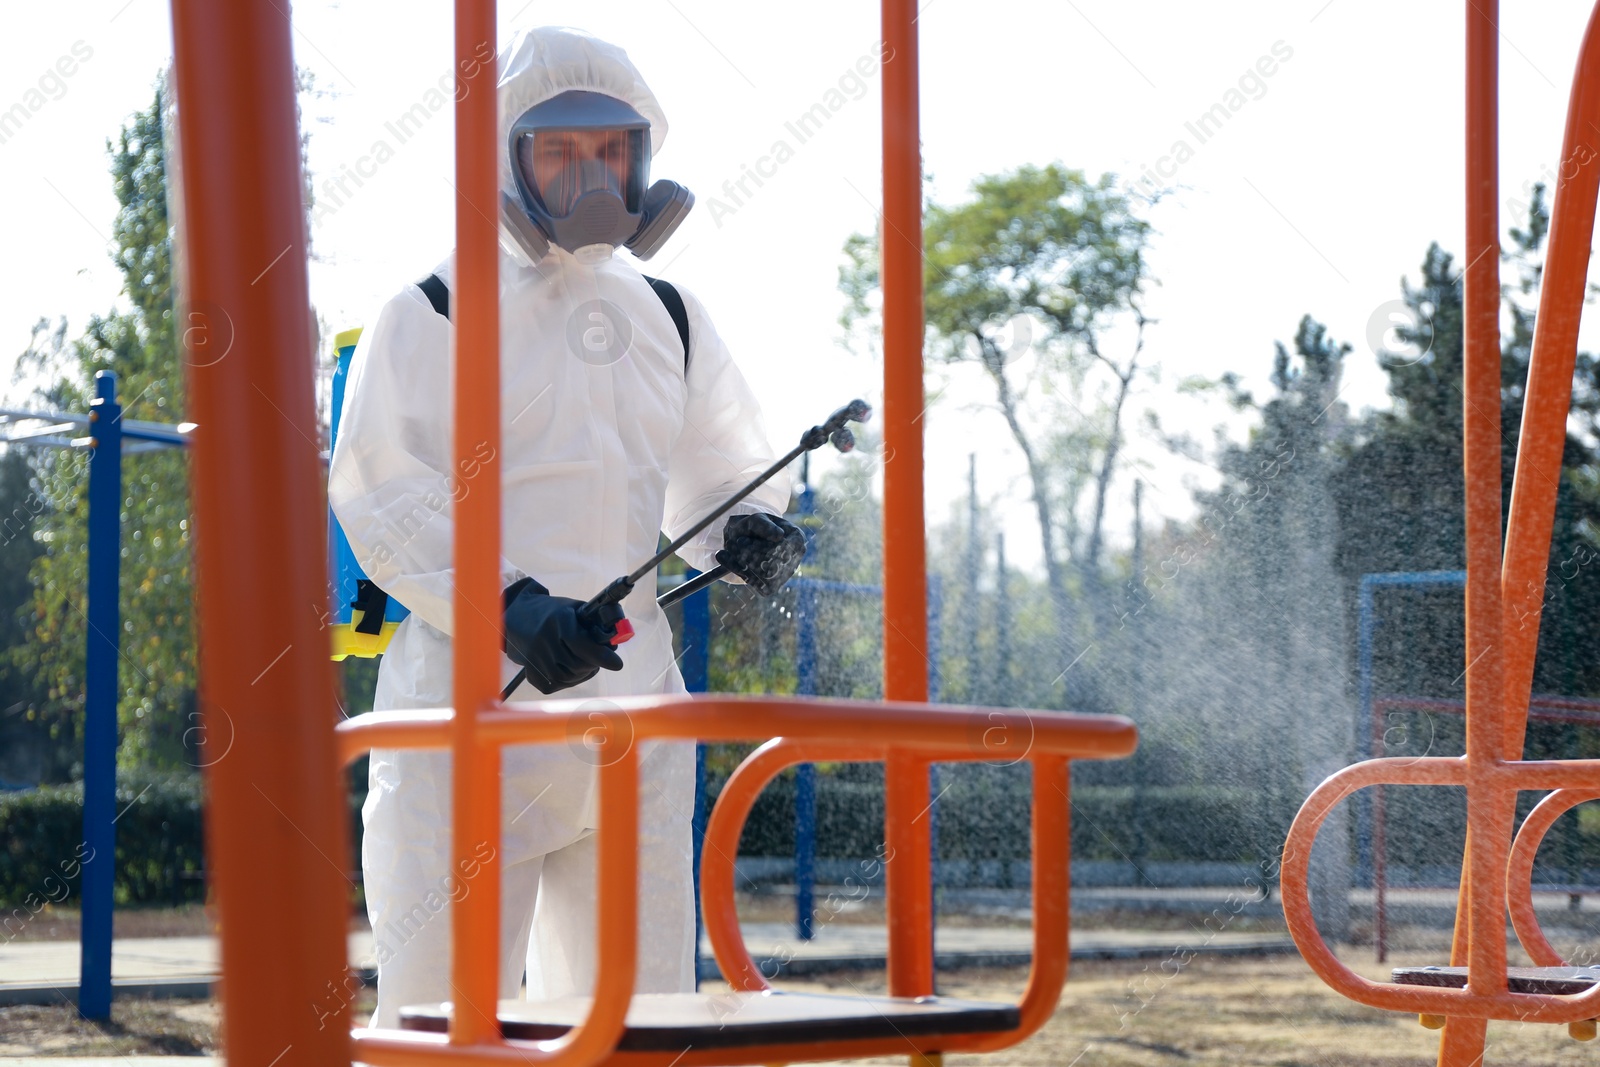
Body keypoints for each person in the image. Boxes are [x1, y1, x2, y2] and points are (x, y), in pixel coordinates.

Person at [329, 26, 803, 1027]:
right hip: (470, 718)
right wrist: (510, 603)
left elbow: (721, 458)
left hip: (635, 716)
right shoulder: (433, 310)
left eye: (611, 151)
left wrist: (750, 529)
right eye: (559, 150)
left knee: (637, 1021)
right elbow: (384, 484)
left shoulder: (669, 313)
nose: (591, 175)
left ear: (644, 157)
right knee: (452, 1028)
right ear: (505, 154)